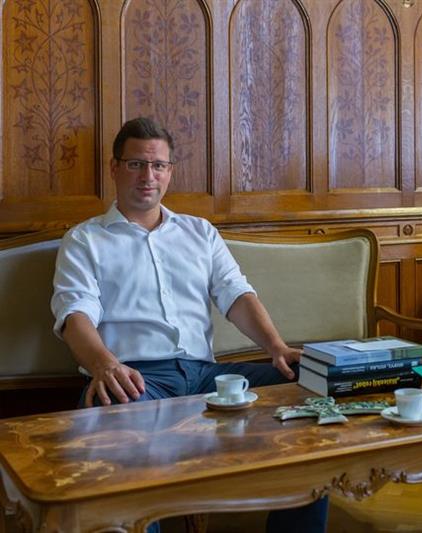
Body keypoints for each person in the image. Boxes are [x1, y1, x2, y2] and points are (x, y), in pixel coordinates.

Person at [51, 117, 327, 532]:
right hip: (138, 379)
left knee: (310, 386)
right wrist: (105, 366)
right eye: (136, 164)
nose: (148, 176)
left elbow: (236, 294)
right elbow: (75, 315)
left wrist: (277, 348)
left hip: (207, 376)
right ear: (114, 168)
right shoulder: (84, 240)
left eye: (158, 166)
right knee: (111, 415)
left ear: (170, 171)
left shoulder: (200, 232)